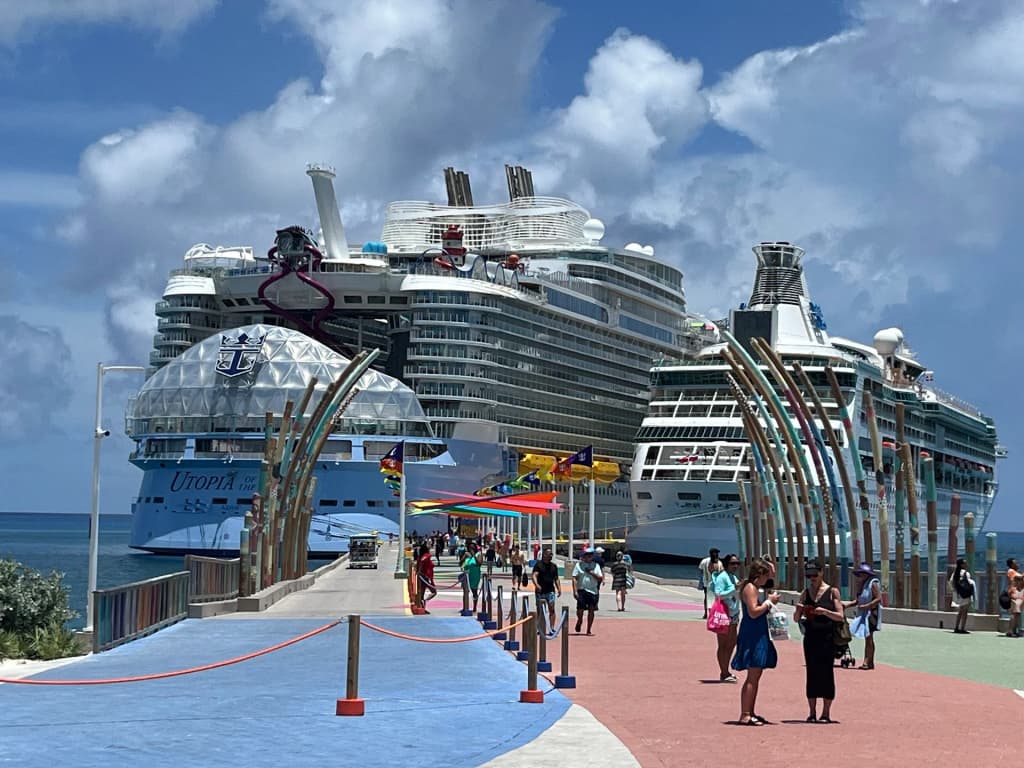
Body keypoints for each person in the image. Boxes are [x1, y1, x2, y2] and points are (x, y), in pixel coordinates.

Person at [731, 557, 779, 726]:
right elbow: (753, 612)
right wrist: (768, 603)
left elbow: (773, 577)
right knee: (752, 675)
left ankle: (750, 711)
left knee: (756, 675)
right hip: (752, 634)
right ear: (759, 575)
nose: (768, 580)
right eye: (765, 576)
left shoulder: (754, 587)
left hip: (758, 632)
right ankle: (745, 713)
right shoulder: (750, 588)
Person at [795, 560, 845, 723]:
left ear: (822, 572)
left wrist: (824, 611)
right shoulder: (805, 592)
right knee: (812, 673)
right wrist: (799, 610)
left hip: (827, 638)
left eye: (815, 575)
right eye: (809, 575)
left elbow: (840, 616)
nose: (812, 578)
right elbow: (796, 619)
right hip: (810, 638)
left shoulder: (832, 592)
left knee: (826, 673)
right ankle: (811, 712)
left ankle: (826, 713)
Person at [843, 562, 882, 669]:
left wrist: (867, 606)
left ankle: (867, 661)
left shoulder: (873, 583)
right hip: (862, 613)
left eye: (863, 574)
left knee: (869, 637)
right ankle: (870, 662)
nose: (861, 576)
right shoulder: (861, 585)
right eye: (860, 574)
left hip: (871, 613)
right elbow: (858, 600)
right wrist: (847, 605)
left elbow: (878, 598)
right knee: (868, 637)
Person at [711, 553, 741, 683]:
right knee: (723, 644)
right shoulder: (722, 577)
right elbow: (718, 594)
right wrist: (734, 589)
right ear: (726, 564)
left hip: (734, 614)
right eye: (732, 563)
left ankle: (726, 670)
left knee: (732, 643)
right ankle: (723, 671)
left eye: (737, 563)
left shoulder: (733, 577)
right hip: (724, 614)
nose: (735, 566)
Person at [572, 547, 603, 635]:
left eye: (590, 555)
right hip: (581, 589)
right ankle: (580, 620)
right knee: (580, 609)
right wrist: (575, 591)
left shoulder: (596, 565)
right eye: (586, 555)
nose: (588, 557)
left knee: (591, 610)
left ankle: (589, 629)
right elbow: (574, 578)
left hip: (593, 590)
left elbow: (600, 578)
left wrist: (592, 572)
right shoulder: (579, 565)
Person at [531, 548, 561, 627]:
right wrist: (537, 585)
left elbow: (556, 578)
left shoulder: (553, 566)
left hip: (550, 590)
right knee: (540, 610)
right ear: (544, 555)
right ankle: (539, 627)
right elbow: (534, 575)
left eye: (551, 554)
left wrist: (559, 588)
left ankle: (552, 628)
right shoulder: (538, 565)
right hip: (540, 591)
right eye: (549, 554)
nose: (551, 556)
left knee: (552, 608)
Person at [949, 557, 975, 634]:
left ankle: (956, 627)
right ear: (961, 565)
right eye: (964, 563)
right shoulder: (966, 573)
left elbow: (951, 582)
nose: (966, 564)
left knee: (960, 611)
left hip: (959, 594)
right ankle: (962, 628)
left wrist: (955, 590)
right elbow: (969, 583)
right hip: (965, 594)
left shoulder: (955, 573)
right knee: (965, 611)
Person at [698, 548, 721, 619]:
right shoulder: (719, 562)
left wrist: (704, 577)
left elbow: (700, 569)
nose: (716, 554)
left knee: (708, 598)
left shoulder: (704, 561)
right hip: (713, 583)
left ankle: (707, 613)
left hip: (707, 582)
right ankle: (712, 613)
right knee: (714, 598)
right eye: (716, 553)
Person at [415, 544, 437, 613]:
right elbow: (422, 561)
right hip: (425, 577)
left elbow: (419, 563)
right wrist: (419, 571)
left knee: (421, 593)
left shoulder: (420, 557)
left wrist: (418, 571)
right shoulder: (426, 555)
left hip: (423, 577)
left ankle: (422, 607)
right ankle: (424, 602)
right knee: (433, 591)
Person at [462, 544, 483, 612]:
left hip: (475, 574)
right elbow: (460, 563)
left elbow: (479, 563)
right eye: (470, 548)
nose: (471, 549)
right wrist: (464, 556)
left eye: (473, 548)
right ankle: (465, 607)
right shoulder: (467, 554)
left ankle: (474, 607)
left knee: (474, 591)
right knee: (465, 591)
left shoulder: (479, 554)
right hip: (467, 575)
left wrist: (474, 556)